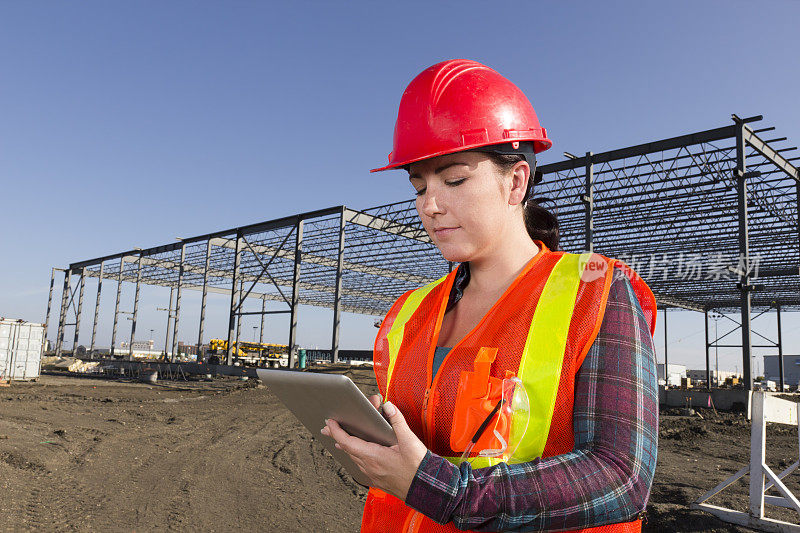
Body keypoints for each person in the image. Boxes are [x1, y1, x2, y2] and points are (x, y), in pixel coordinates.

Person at [321, 59, 658, 532]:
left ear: (516, 181)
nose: (430, 205)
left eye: (454, 179)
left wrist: (436, 485)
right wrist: (379, 450)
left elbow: (621, 477)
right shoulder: (409, 313)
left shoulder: (596, 295)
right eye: (419, 186)